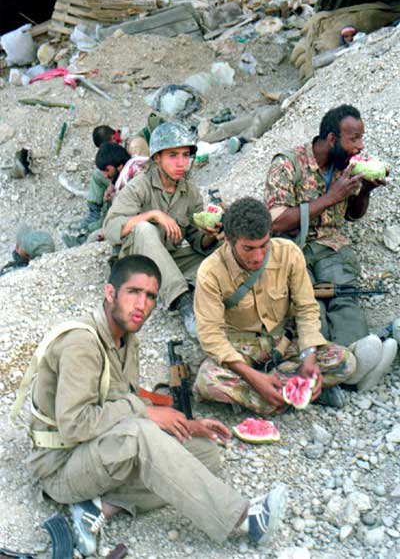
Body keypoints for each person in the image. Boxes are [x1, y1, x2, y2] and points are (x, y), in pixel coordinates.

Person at [24, 255, 288, 556]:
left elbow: (120, 397)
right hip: (60, 466)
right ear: (110, 293)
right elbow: (74, 426)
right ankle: (244, 519)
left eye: (150, 296)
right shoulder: (81, 344)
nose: (142, 304)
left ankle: (100, 506)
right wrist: (145, 412)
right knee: (140, 433)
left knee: (205, 453)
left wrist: (186, 425)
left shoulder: (127, 339)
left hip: (95, 451)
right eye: (133, 292)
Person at [192, 197, 385, 413]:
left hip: (283, 342)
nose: (258, 256)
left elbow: (306, 308)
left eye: (264, 245)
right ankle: (288, 393)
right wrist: (253, 377)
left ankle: (268, 396)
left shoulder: (289, 253)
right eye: (248, 248)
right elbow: (210, 335)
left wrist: (309, 357)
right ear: (228, 240)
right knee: (207, 381)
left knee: (345, 361)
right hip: (240, 348)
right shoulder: (210, 272)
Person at [264, 104, 386, 347]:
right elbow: (276, 221)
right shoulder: (288, 164)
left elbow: (352, 215)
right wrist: (330, 197)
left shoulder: (345, 165)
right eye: (354, 139)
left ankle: (357, 354)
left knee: (345, 297)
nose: (360, 146)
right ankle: (324, 358)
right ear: (332, 139)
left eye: (361, 138)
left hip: (330, 246)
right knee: (309, 304)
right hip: (292, 248)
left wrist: (365, 192)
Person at [103, 122, 222, 338]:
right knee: (144, 229)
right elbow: (111, 227)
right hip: (136, 262)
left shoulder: (190, 193)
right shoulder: (140, 186)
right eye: (173, 156)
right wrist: (153, 215)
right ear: (157, 158)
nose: (181, 163)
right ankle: (183, 301)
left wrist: (211, 235)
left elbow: (195, 239)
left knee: (223, 249)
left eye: (185, 155)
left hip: (169, 258)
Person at [62, 143, 131, 247]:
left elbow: (124, 213)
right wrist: (112, 185)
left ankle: (83, 239)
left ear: (120, 166)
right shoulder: (122, 171)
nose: (105, 175)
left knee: (94, 235)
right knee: (97, 175)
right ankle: (94, 214)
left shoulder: (131, 183)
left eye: (107, 170)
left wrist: (114, 199)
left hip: (126, 218)